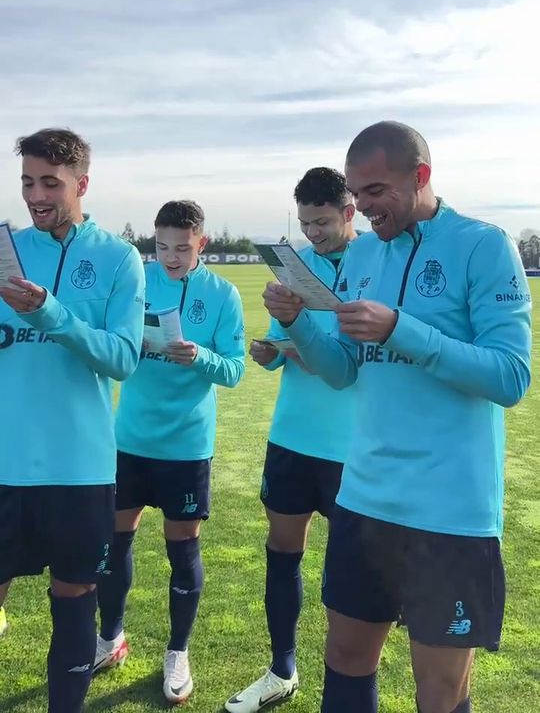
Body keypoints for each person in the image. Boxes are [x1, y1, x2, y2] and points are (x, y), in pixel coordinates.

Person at [262, 121, 532, 713]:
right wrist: (296, 323)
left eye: (377, 191)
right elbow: (343, 370)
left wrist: (404, 331)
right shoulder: (361, 253)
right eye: (357, 193)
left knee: (438, 691)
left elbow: (511, 377)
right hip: (365, 498)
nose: (364, 206)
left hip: (449, 510)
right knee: (346, 659)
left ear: (422, 177)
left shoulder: (483, 245)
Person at [0, 128, 145, 713]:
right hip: (6, 460)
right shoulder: (8, 249)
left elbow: (123, 358)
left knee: (74, 600)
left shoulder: (118, 258)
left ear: (81, 184)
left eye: (50, 183)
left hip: (78, 469)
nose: (36, 195)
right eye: (28, 182)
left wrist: (51, 313)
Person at [95, 200, 245, 704]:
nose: (171, 257)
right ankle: (110, 636)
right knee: (115, 542)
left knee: (182, 549)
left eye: (182, 248)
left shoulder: (221, 294)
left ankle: (177, 651)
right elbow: (111, 342)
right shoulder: (138, 282)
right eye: (162, 247)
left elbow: (235, 369)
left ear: (201, 243)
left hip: (186, 445)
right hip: (129, 438)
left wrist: (199, 356)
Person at [225, 167, 358, 713]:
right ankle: (282, 669)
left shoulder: (376, 265)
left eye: (323, 221)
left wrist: (304, 350)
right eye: (306, 223)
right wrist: (269, 351)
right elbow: (282, 344)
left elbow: (360, 363)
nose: (314, 232)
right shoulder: (297, 267)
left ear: (350, 213)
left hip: (352, 447)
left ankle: (345, 684)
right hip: (292, 438)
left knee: (348, 575)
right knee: (283, 552)